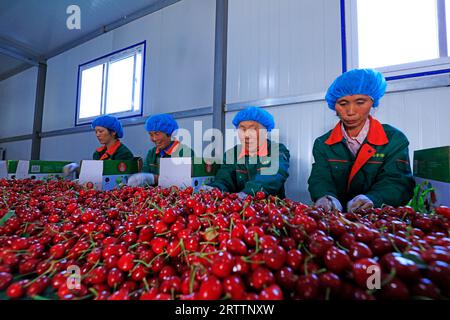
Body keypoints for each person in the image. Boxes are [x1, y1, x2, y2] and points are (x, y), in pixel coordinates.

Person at [308, 69, 415, 213]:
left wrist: (373, 199)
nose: (351, 111)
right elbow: (320, 179)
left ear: (373, 102)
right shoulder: (323, 144)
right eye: (343, 103)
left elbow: (398, 182)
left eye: (360, 102)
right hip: (335, 218)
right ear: (334, 105)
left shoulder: (394, 140)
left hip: (379, 218)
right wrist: (325, 197)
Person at [204, 106, 290, 199]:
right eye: (243, 129)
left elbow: (272, 176)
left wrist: (246, 195)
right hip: (236, 210)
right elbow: (224, 179)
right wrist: (213, 189)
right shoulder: (232, 154)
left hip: (270, 210)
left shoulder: (277, 150)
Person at [127, 114, 193, 187]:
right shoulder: (151, 153)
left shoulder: (185, 153)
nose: (154, 139)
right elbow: (144, 174)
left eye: (157, 134)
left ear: (170, 133)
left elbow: (185, 182)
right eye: (151, 135)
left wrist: (154, 178)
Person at [63, 115, 134, 176]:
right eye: (96, 132)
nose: (97, 135)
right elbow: (94, 174)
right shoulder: (98, 153)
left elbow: (113, 176)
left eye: (101, 131)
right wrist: (76, 168)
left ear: (113, 132)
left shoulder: (123, 153)